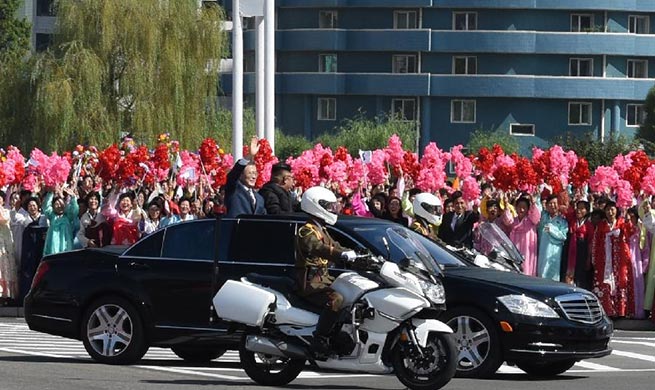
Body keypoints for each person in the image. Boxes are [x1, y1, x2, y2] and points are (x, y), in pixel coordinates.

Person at [295, 186, 356, 355]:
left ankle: (337, 335)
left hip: (324, 279)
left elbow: (336, 246)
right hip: (310, 281)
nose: (331, 210)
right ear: (315, 205)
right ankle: (320, 338)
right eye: (328, 206)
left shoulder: (323, 229)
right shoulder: (307, 230)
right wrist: (341, 255)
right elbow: (316, 247)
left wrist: (359, 255)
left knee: (352, 296)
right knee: (335, 299)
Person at [591, 201, 633, 318]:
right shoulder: (601, 225)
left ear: (616, 210)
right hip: (604, 260)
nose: (610, 212)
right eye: (608, 210)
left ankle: (621, 311)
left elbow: (630, 233)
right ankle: (607, 310)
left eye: (612, 209)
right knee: (604, 284)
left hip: (619, 260)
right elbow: (595, 242)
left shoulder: (622, 223)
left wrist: (627, 219)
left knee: (621, 282)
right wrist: (594, 258)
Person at [225, 137, 266, 217]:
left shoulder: (259, 198)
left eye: (255, 173)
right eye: (250, 173)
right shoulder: (234, 190)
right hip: (236, 228)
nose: (253, 176)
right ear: (241, 175)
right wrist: (249, 156)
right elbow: (234, 174)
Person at [505, 195, 541, 277]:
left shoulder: (531, 221)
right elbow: (507, 220)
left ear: (528, 209)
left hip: (527, 251)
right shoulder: (513, 221)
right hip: (515, 251)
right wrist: (506, 205)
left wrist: (533, 203)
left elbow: (537, 217)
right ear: (515, 208)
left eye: (524, 207)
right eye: (519, 207)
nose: (521, 209)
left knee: (527, 270)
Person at [537, 195, 569, 282]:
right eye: (550, 203)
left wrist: (552, 229)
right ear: (546, 206)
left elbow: (563, 236)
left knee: (552, 275)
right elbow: (536, 209)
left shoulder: (562, 221)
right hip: (542, 251)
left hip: (555, 252)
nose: (553, 205)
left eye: (555, 203)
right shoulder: (543, 217)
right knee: (541, 273)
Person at [564, 200, 594, 289]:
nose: (579, 210)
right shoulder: (571, 220)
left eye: (582, 208)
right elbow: (566, 212)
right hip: (569, 251)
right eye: (578, 208)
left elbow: (590, 242)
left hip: (582, 252)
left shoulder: (589, 225)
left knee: (580, 277)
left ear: (587, 211)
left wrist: (588, 258)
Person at [43, 186, 79, 256]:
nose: (59, 206)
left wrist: (73, 197)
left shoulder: (68, 216)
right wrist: (51, 193)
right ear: (53, 206)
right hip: (53, 247)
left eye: (61, 204)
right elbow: (46, 207)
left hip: (66, 246)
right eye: (57, 204)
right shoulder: (52, 215)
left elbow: (75, 209)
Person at [0, 191, 18, 304]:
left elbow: (4, 219)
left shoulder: (6, 211)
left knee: (6, 267)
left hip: (5, 245)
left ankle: (6, 295)